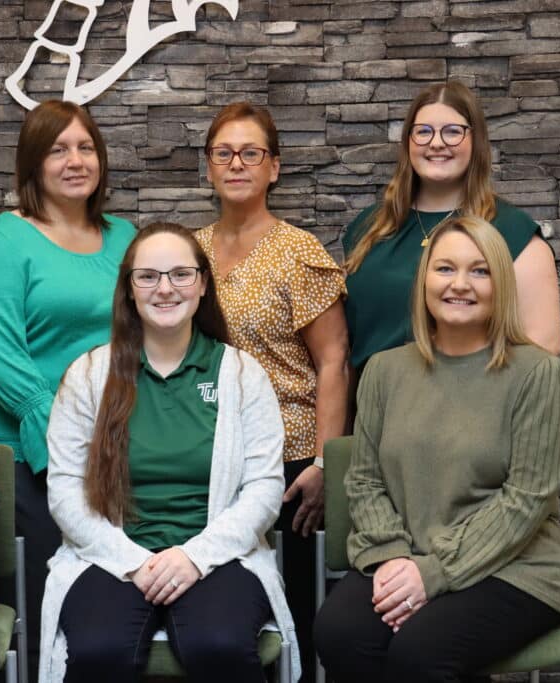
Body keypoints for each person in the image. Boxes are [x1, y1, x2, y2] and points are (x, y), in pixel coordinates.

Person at [314, 216, 560, 682]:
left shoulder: (536, 374)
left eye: (480, 271)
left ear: (501, 284)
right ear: (424, 280)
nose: (460, 284)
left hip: (515, 569)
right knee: (340, 634)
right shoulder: (384, 370)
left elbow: (527, 500)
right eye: (445, 269)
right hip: (403, 555)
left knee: (421, 652)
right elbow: (365, 479)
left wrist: (432, 574)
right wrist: (393, 557)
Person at [39, 222, 299, 683]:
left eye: (181, 274)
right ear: (129, 289)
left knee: (216, 643)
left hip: (219, 556)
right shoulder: (88, 376)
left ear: (202, 284)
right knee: (100, 650)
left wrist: (194, 557)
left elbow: (263, 488)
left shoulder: (241, 375)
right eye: (149, 277)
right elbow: (64, 490)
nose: (165, 289)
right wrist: (134, 561)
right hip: (111, 556)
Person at [0, 100, 136, 681]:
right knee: (49, 604)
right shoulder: (4, 240)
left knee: (119, 601)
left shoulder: (126, 238)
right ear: (33, 163)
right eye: (58, 149)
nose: (74, 160)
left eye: (85, 147)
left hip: (119, 444)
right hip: (30, 453)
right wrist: (58, 438)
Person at [193, 102, 347, 680]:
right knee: (218, 605)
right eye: (223, 153)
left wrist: (327, 462)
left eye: (250, 152)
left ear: (274, 168)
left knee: (294, 611)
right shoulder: (189, 253)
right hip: (207, 454)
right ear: (208, 167)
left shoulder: (298, 252)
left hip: (290, 461)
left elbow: (334, 360)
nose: (237, 163)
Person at [343, 79, 560, 381]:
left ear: (477, 141)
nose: (436, 143)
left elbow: (542, 349)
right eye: (423, 131)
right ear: (408, 142)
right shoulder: (366, 229)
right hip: (375, 416)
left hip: (467, 415)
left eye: (453, 131)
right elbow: (345, 348)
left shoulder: (513, 232)